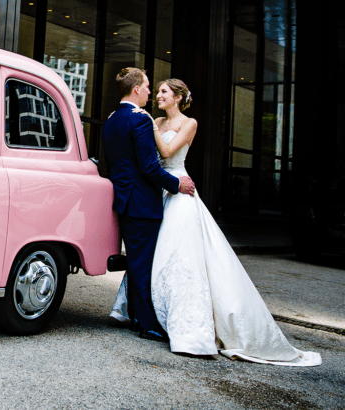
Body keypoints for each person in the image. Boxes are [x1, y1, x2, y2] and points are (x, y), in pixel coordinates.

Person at [111, 79, 321, 366]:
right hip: (156, 191)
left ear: (178, 97)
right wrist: (149, 122)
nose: (157, 95)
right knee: (148, 256)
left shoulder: (187, 123)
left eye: (163, 91)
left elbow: (167, 153)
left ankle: (176, 323)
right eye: (155, 89)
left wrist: (148, 123)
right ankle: (144, 314)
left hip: (178, 189)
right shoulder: (153, 119)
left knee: (180, 257)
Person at [102, 68, 196, 343]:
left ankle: (133, 313)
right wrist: (176, 185)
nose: (149, 93)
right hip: (143, 200)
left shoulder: (112, 118)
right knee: (142, 264)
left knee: (136, 260)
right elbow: (149, 166)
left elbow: (115, 162)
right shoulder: (140, 120)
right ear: (135, 90)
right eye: (146, 87)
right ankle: (146, 323)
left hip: (124, 197)